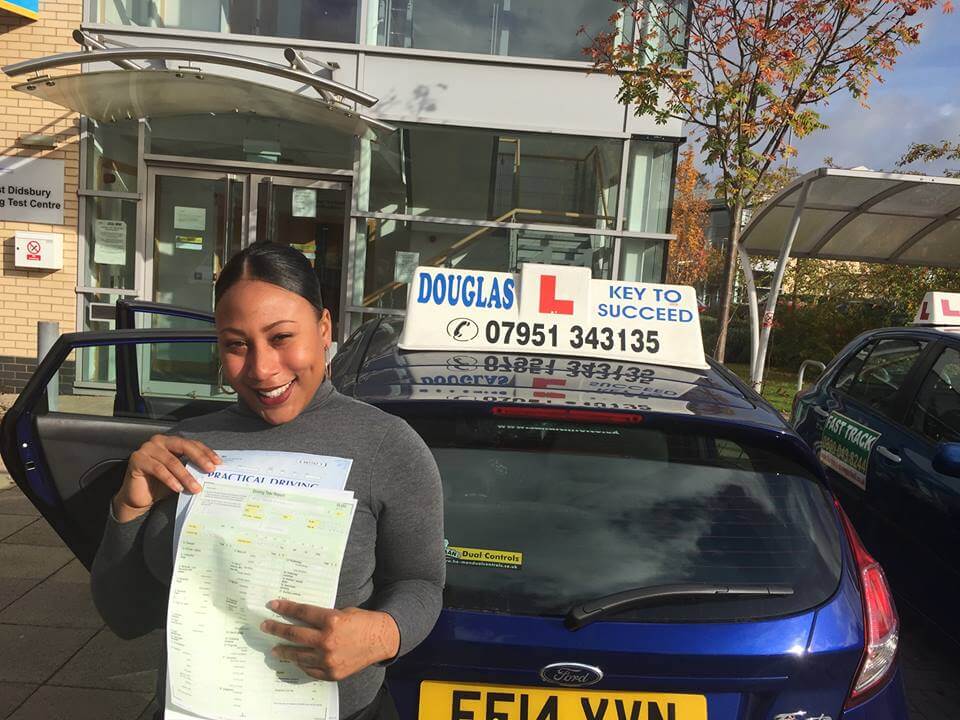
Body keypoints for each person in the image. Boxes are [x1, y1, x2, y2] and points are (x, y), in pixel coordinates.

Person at [90, 243, 445, 720]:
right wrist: (127, 509)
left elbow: (420, 582)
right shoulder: (183, 447)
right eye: (236, 344)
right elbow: (125, 618)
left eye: (281, 337)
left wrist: (384, 633)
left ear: (323, 329)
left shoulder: (388, 445)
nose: (261, 369)